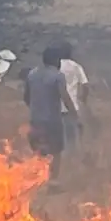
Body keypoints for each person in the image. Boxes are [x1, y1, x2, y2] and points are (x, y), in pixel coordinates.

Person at [23, 46, 79, 185]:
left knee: (39, 152)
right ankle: (53, 182)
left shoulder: (32, 74)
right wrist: (74, 114)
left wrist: (36, 108)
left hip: (35, 120)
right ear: (55, 60)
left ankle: (37, 181)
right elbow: (64, 97)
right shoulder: (58, 76)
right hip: (52, 121)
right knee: (56, 151)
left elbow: (26, 97)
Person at [55, 40, 91, 154]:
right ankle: (72, 161)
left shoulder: (55, 66)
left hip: (54, 107)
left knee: (56, 138)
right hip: (71, 107)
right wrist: (83, 100)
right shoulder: (76, 66)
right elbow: (85, 85)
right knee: (71, 137)